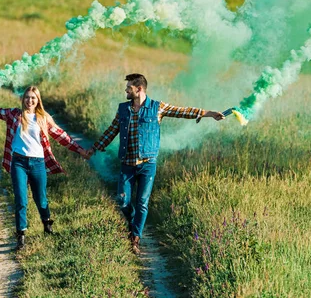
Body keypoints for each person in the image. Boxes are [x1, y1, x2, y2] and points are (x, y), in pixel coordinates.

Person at [86, 73, 224, 254]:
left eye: (129, 88)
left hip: (147, 163)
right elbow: (112, 130)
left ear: (139, 89)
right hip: (127, 163)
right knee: (122, 200)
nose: (126, 90)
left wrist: (209, 113)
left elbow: (182, 111)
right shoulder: (123, 109)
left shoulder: (157, 107)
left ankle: (135, 238)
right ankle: (133, 220)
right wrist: (94, 148)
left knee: (142, 201)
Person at [0, 86, 89, 249]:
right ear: (23, 99)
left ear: (38, 100)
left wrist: (80, 150)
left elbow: (62, 136)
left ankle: (47, 225)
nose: (30, 100)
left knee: (41, 199)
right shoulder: (14, 115)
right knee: (21, 200)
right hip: (18, 162)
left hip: (38, 163)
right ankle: (21, 236)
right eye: (27, 97)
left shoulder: (43, 118)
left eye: (33, 98)